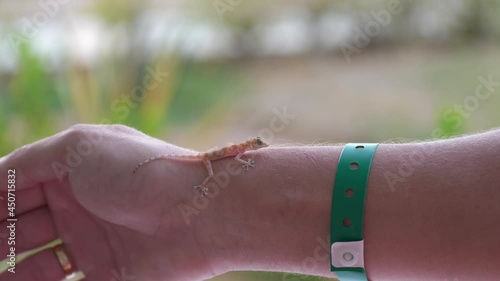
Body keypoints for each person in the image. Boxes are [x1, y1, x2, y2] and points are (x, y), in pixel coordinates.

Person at [0, 124, 499, 281]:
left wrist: (208, 218)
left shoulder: (239, 157)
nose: (253, 150)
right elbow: (215, 163)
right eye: (253, 148)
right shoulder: (228, 158)